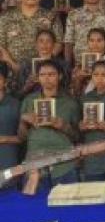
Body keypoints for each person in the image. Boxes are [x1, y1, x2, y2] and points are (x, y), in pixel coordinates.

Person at [18, 60, 79, 190]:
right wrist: (23, 121)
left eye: (51, 74)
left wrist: (63, 125)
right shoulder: (29, 101)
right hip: (35, 163)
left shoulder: (70, 103)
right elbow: (21, 137)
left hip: (64, 164)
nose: (46, 78)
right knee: (34, 203)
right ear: (38, 77)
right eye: (42, 75)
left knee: (66, 202)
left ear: (59, 76)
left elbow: (78, 136)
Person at [0, 0, 63, 66]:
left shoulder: (51, 16)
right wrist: (13, 65)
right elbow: (1, 46)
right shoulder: (6, 17)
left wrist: (45, 62)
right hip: (12, 69)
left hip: (44, 70)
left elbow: (59, 42)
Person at [10, 30, 70, 98]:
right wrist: (27, 87)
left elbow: (67, 89)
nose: (44, 44)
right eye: (41, 41)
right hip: (31, 100)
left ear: (54, 45)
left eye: (48, 41)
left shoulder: (63, 65)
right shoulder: (25, 64)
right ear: (36, 45)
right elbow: (16, 94)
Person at [0, 62, 20, 188]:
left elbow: (24, 137)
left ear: (5, 81)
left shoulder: (15, 104)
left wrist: (5, 139)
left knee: (9, 194)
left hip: (8, 161)